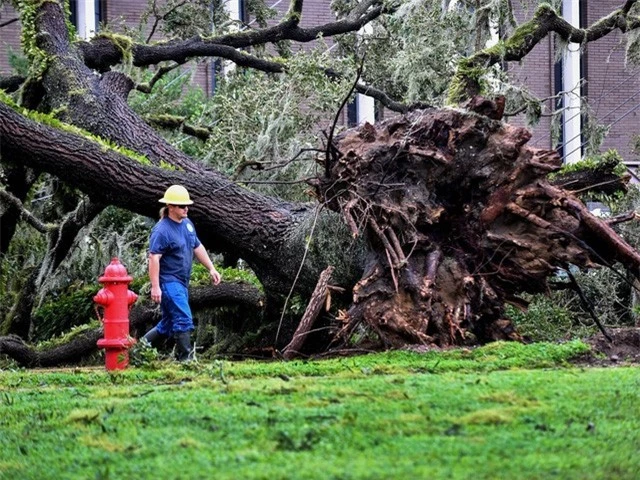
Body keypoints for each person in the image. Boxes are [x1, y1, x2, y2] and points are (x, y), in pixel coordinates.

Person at [141, 184, 221, 361]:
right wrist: (155, 287)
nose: (186, 208)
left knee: (168, 325)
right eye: (182, 206)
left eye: (187, 205)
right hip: (169, 282)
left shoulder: (187, 224)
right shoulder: (162, 231)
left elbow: (197, 247)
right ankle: (185, 361)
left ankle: (138, 350)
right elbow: (154, 258)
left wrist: (211, 268)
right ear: (170, 207)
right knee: (184, 319)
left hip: (182, 282)